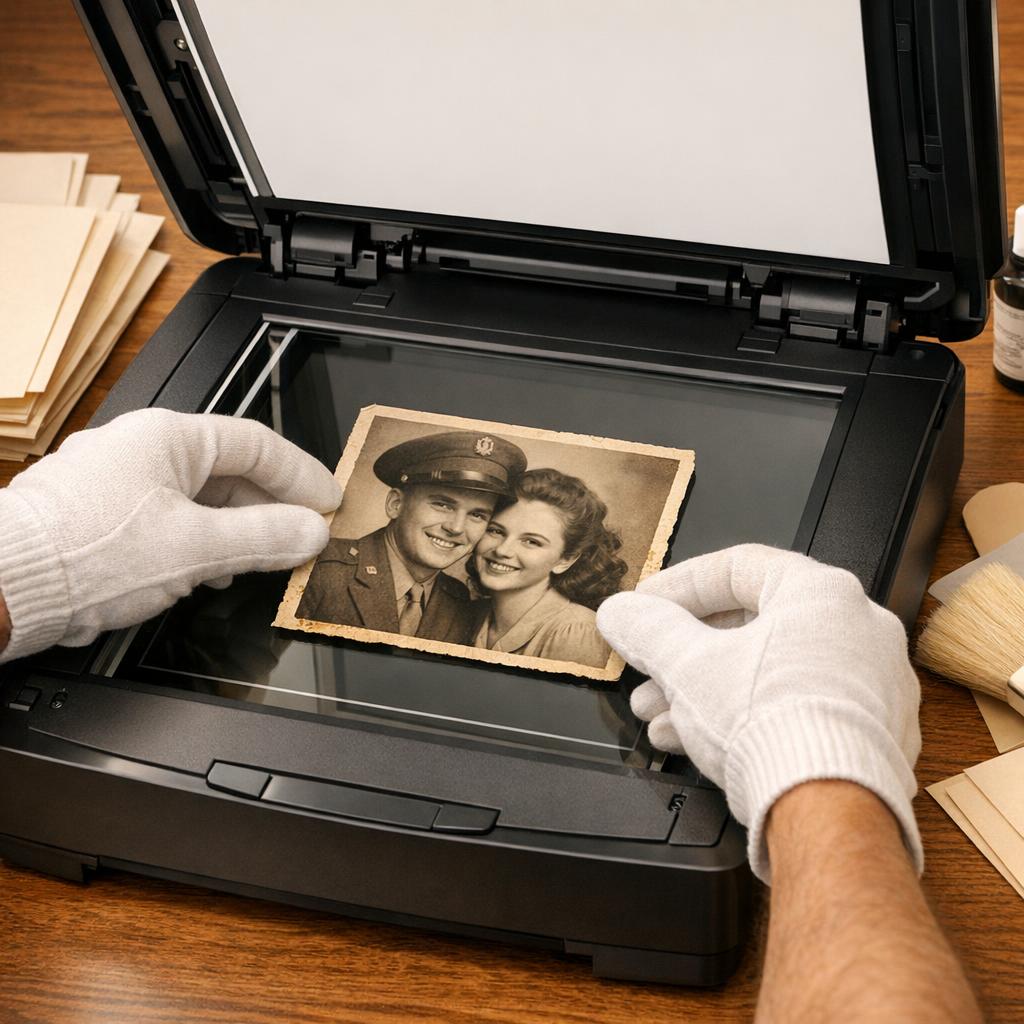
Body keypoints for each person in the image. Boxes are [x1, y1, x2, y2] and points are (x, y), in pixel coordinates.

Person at [0, 413, 984, 1022]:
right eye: (456, 506)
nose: (472, 534)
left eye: (493, 520)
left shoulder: (471, 602)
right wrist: (25, 564)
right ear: (403, 493)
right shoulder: (400, 587)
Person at [296, 429, 527, 643]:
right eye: (443, 505)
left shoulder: (457, 598)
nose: (456, 528)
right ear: (396, 504)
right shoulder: (320, 569)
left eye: (477, 515)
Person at [467, 468, 626, 668]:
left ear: (565, 560)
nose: (502, 550)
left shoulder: (576, 632)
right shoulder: (469, 614)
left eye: (532, 542)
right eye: (496, 531)